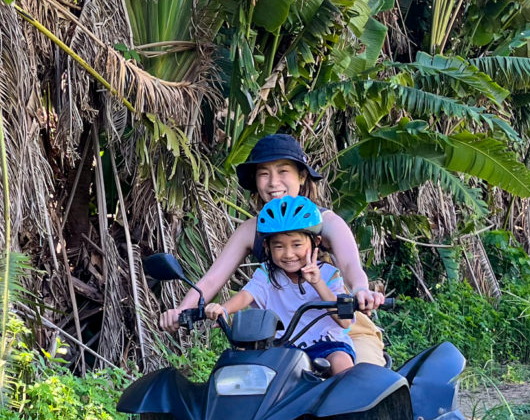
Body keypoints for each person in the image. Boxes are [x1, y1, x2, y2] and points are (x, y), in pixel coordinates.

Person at [160, 134, 387, 364]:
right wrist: (182, 311)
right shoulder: (252, 230)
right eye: (264, 173)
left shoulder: (326, 222)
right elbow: (211, 280)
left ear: (301, 176)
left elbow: (350, 265)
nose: (273, 182)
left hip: (340, 331)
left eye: (283, 171)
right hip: (282, 339)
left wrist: (360, 290)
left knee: (359, 378)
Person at [202, 195, 356, 374]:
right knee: (244, 366)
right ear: (267, 246)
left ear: (316, 242)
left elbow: (344, 321)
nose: (288, 254)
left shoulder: (329, 274)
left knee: (341, 362)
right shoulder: (267, 274)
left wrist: (317, 283)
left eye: (297, 244)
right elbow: (247, 294)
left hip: (326, 345)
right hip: (281, 349)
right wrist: (224, 309)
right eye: (279, 246)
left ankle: (349, 391)